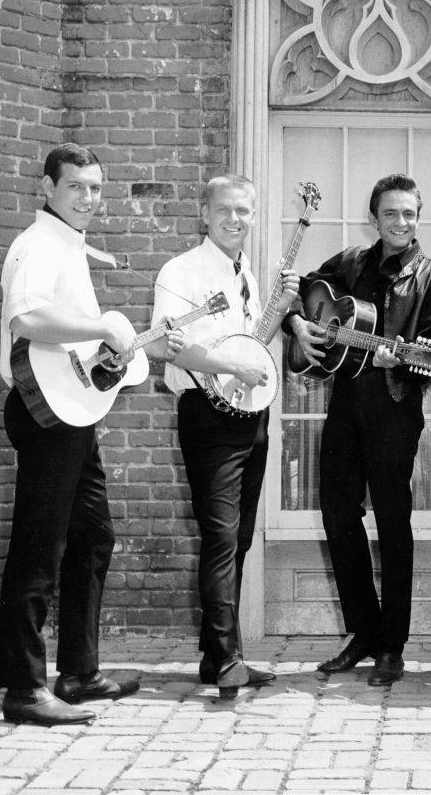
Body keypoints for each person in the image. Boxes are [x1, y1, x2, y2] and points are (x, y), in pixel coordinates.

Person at [0, 143, 152, 725]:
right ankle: (23, 689)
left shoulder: (69, 245)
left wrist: (120, 348)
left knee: (93, 537)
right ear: (47, 188)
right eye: (75, 187)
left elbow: (70, 342)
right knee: (38, 549)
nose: (88, 197)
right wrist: (103, 324)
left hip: (70, 414)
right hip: (45, 415)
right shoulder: (38, 245)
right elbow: (27, 321)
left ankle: (79, 672)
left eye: (95, 187)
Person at [284, 174, 431, 687]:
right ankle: (363, 631)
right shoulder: (350, 262)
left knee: (393, 524)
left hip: (394, 410)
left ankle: (392, 646)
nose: (400, 223)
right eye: (390, 214)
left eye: (408, 214)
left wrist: (395, 359)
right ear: (374, 218)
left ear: (418, 217)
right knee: (337, 513)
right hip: (344, 407)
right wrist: (299, 324)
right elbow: (302, 294)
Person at [150, 173, 299, 698]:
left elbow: (253, 349)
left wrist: (281, 310)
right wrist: (227, 364)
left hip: (249, 417)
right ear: (204, 213)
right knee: (218, 537)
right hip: (207, 418)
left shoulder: (248, 275)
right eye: (225, 210)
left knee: (235, 540)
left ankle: (219, 657)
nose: (235, 220)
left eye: (244, 211)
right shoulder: (182, 270)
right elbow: (168, 346)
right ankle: (228, 658)